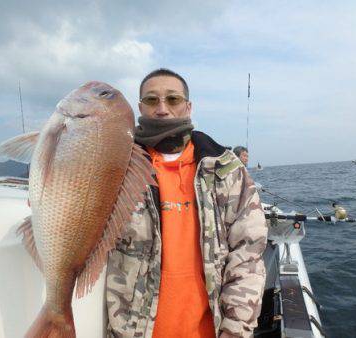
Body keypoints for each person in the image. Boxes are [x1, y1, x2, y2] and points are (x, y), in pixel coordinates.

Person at [106, 68, 268, 338]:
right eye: (151, 100)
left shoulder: (226, 169)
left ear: (188, 106)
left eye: (173, 99)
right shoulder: (116, 169)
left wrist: (236, 331)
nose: (162, 109)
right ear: (140, 108)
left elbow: (247, 256)